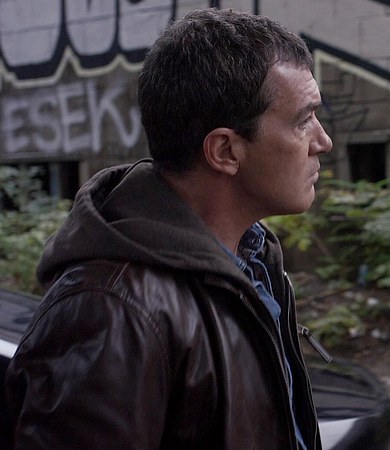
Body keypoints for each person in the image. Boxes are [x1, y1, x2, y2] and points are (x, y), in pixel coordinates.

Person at [4, 7, 333, 449]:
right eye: (303, 120)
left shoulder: (253, 260)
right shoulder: (112, 312)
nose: (323, 141)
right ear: (225, 151)